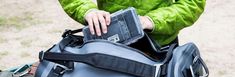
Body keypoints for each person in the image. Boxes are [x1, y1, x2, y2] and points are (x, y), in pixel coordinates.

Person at [58, 0, 205, 47]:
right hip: (110, 44)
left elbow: (192, 4)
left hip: (159, 47)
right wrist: (87, 10)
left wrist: (151, 20)